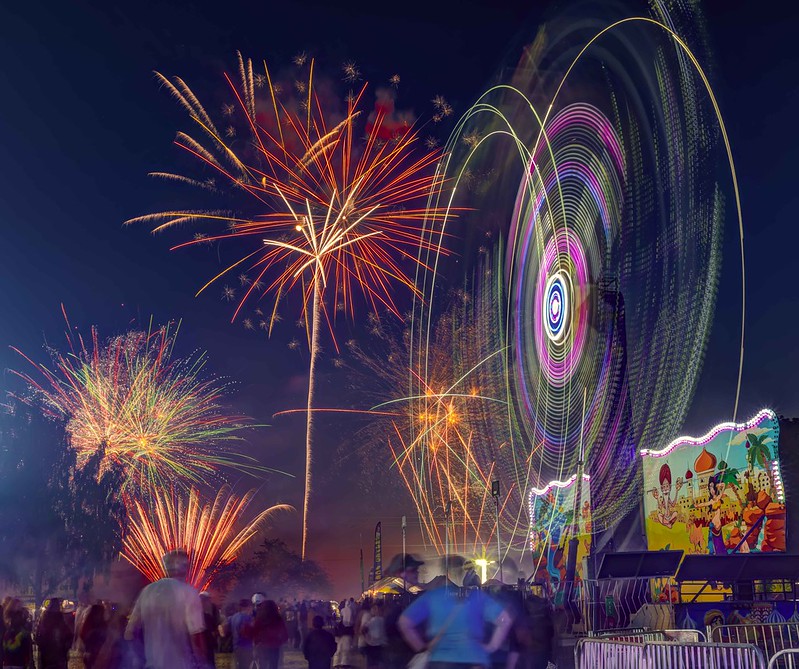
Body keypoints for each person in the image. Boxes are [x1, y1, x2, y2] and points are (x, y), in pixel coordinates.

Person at [398, 556, 513, 669]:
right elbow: (505, 620)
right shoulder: (477, 596)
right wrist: (491, 647)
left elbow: (404, 623)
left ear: (446, 572)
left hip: (440, 659)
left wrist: (422, 649)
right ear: (465, 572)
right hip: (474, 658)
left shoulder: (433, 596)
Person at [125, 549, 207, 669]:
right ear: (185, 568)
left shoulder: (146, 592)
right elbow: (197, 636)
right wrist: (201, 663)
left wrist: (140, 658)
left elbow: (130, 633)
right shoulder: (189, 593)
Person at [35, 599, 71, 669]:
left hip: (46, 653)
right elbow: (68, 635)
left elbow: (38, 635)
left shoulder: (44, 618)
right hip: (59, 653)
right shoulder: (60, 618)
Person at [252, 600, 287, 669]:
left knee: (262, 664)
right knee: (273, 664)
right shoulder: (277, 618)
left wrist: (256, 642)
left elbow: (255, 632)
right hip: (274, 644)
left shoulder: (259, 618)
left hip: (262, 645)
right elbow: (284, 632)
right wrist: (280, 641)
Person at [227, 599, 254, 669]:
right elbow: (248, 633)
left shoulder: (233, 617)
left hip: (235, 646)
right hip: (246, 647)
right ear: (248, 607)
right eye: (251, 606)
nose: (252, 609)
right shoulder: (247, 618)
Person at [79, 604, 108, 669]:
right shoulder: (90, 622)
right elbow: (84, 635)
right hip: (91, 651)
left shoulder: (102, 624)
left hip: (99, 652)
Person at [199, 592, 222, 668]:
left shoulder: (197, 613)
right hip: (207, 644)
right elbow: (215, 626)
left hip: (204, 644)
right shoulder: (206, 615)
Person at [362, 603, 386, 669]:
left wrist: (367, 637)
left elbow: (363, 629)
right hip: (380, 644)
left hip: (371, 644)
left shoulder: (372, 620)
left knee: (371, 663)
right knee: (379, 662)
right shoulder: (383, 620)